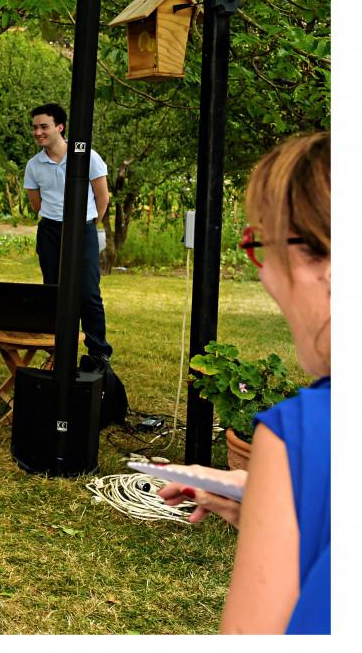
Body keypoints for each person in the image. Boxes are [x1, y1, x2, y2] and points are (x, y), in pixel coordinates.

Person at [159, 131, 329, 634]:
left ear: (319, 257)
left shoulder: (301, 434)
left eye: (262, 247)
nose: (264, 277)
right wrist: (279, 504)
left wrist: (287, 490)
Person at [22, 102, 113, 364]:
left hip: (82, 229)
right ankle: (57, 348)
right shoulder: (34, 165)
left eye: (44, 127)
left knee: (88, 292)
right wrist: (55, 217)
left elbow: (102, 196)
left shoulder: (86, 157)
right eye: (35, 128)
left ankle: (98, 353)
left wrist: (90, 224)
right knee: (53, 289)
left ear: (60, 127)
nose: (38, 132)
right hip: (50, 231)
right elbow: (35, 202)